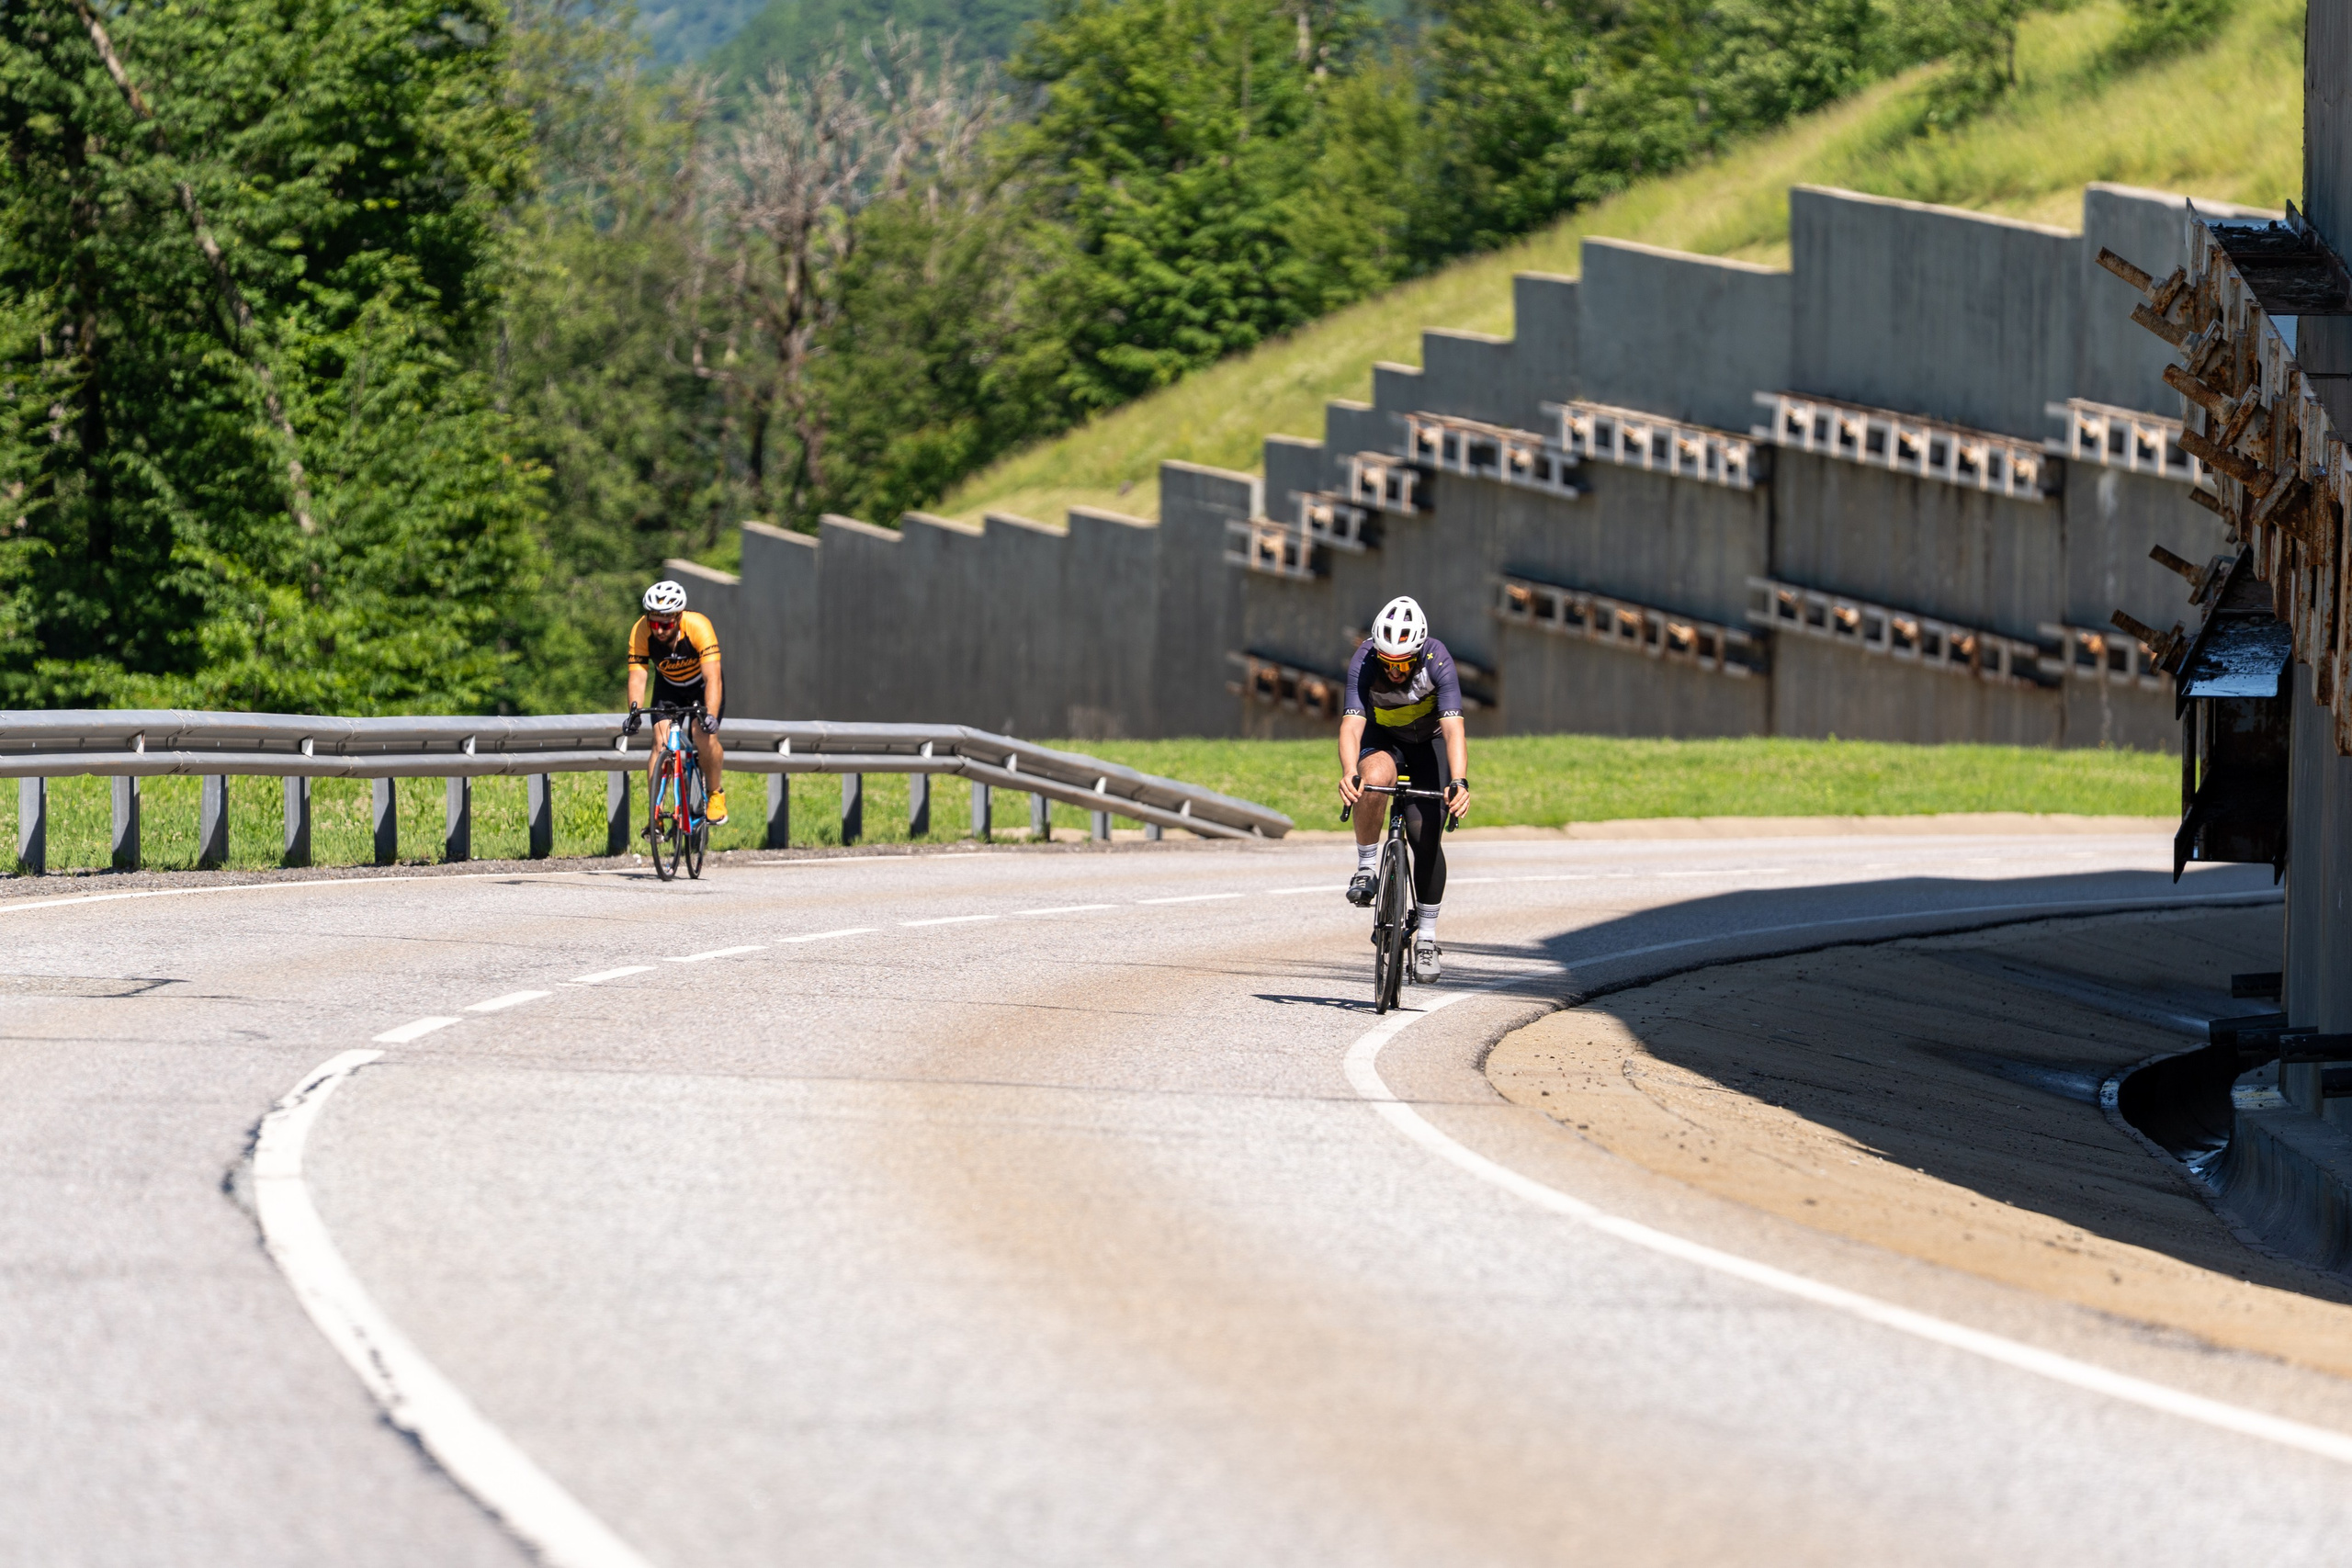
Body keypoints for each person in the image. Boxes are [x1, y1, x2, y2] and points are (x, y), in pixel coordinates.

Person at [1337, 595, 1471, 982]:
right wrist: (1350, 772)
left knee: (1424, 835)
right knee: (1373, 780)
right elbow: (1351, 725)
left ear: (1418, 652)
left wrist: (1459, 781)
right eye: (1388, 662)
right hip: (1384, 739)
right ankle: (1366, 868)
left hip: (1429, 744)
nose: (1395, 671)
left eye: (1403, 663)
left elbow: (1453, 729)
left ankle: (1427, 937)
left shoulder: (1437, 660)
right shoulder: (1364, 659)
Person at [622, 580, 728, 827]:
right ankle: (655, 814)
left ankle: (715, 793)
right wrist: (634, 712)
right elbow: (638, 676)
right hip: (668, 687)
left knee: (702, 735)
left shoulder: (698, 626)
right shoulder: (640, 630)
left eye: (666, 624)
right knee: (660, 744)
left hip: (701, 687)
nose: (659, 631)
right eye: (654, 623)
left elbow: (713, 677)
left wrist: (711, 716)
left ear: (678, 617)